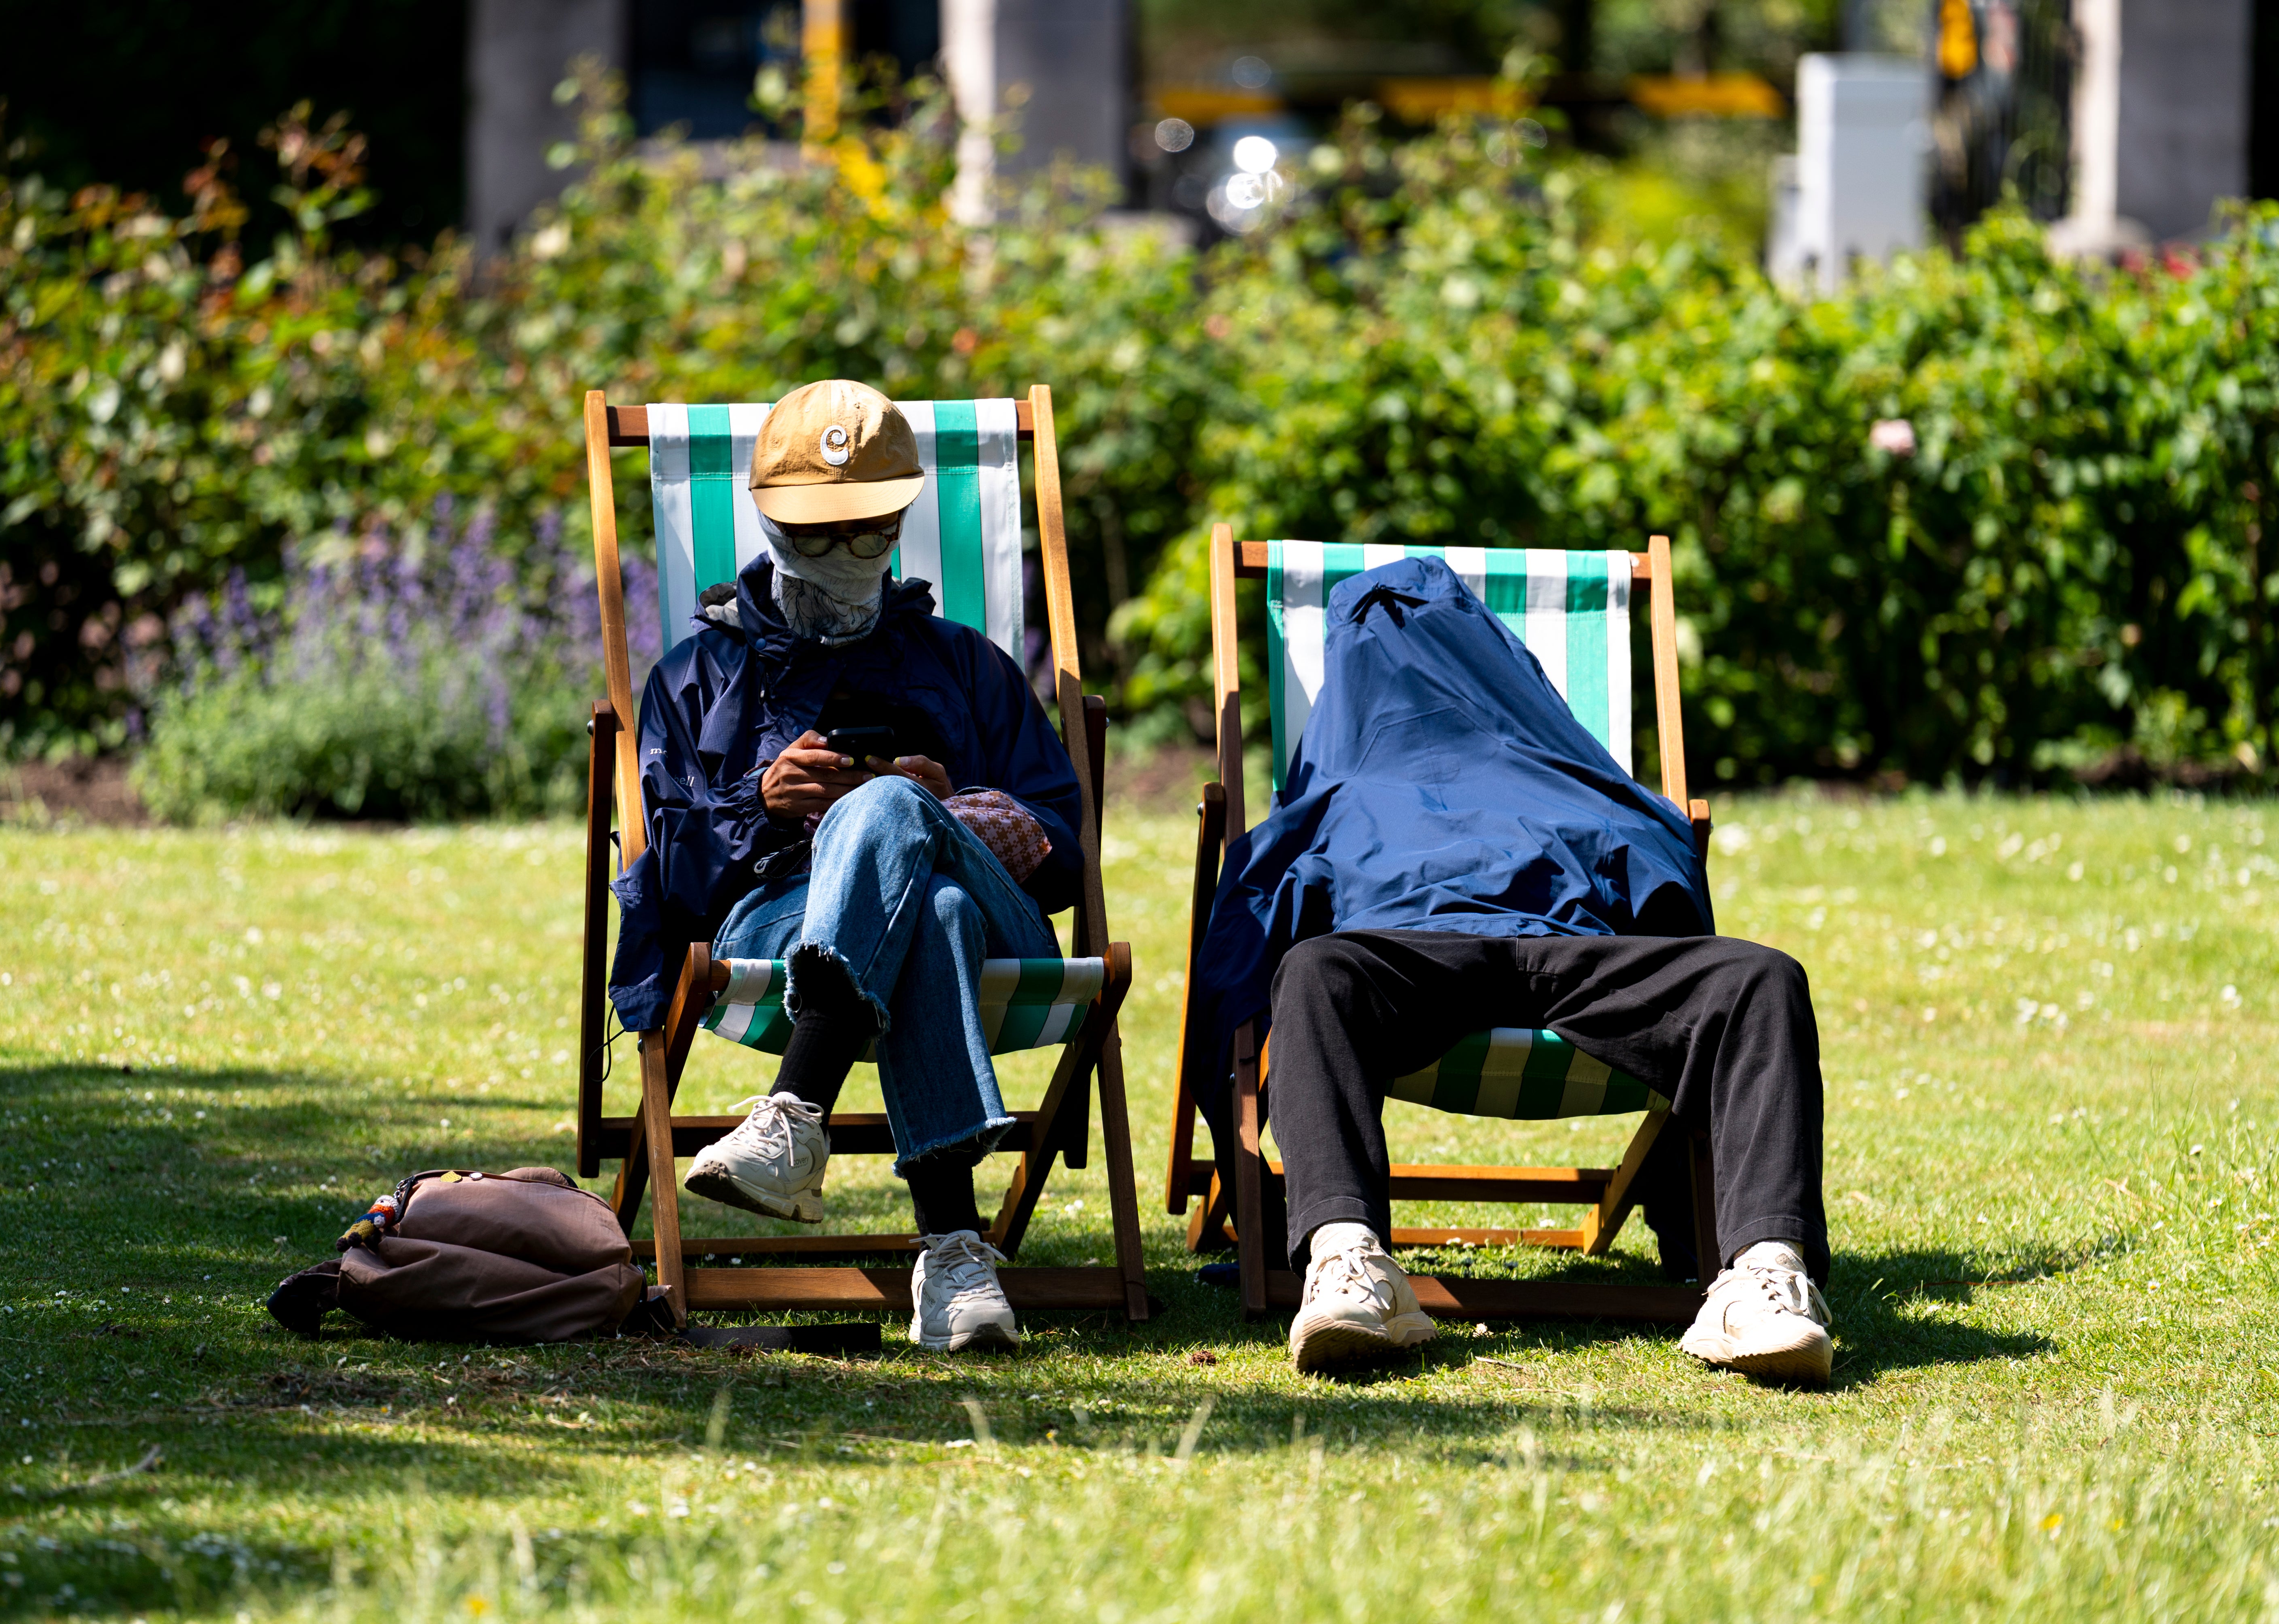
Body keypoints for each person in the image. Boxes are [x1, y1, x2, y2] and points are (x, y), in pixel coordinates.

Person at [1191, 557, 1834, 1383]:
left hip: (1575, 951)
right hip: (1412, 955)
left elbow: (1666, 875)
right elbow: (1251, 941)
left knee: (1761, 977)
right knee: (1314, 973)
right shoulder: (1340, 779)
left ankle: (1763, 1274)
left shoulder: (1550, 754)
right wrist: (1238, 1159)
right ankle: (1348, 1260)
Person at [604, 380, 1083, 1352]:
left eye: (870, 531)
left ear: (903, 517)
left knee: (895, 812)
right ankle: (953, 1251)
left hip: (1002, 919)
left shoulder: (966, 663)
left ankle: (794, 1113)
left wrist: (945, 810)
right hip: (774, 916)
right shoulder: (695, 679)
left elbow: (1067, 857)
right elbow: (673, 887)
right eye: (820, 533)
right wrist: (761, 803)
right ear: (771, 521)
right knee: (932, 914)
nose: (846, 555)